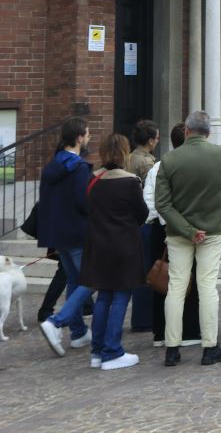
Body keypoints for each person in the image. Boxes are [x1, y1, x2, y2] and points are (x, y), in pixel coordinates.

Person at [155, 110, 221, 367]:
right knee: (207, 286)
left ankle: (172, 347)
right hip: (211, 229)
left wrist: (188, 230)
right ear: (208, 132)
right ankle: (209, 346)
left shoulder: (169, 160)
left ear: (187, 131)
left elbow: (163, 205)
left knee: (176, 289)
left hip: (179, 233)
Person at [81, 133, 149, 370]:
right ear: (124, 153)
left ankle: (98, 351)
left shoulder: (93, 179)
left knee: (104, 297)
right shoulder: (129, 181)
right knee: (120, 296)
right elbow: (142, 214)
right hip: (123, 245)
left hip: (98, 245)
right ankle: (112, 351)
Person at [38, 117, 95, 356]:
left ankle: (79, 332)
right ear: (80, 137)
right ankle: (57, 321)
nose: (90, 137)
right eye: (88, 133)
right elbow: (84, 202)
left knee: (74, 280)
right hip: (77, 232)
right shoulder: (79, 167)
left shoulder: (52, 165)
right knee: (92, 280)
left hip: (58, 234)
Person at [143, 123, 200, 348]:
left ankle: (161, 332)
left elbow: (148, 201)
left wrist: (162, 217)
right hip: (180, 227)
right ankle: (189, 331)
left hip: (160, 227)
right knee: (181, 279)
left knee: (163, 279)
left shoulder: (157, 167)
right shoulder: (187, 165)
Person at [127, 119, 159, 333]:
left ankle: (140, 318)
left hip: (129, 220)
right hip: (143, 219)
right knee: (148, 270)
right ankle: (144, 318)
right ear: (149, 140)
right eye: (156, 138)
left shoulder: (128, 157)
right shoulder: (146, 163)